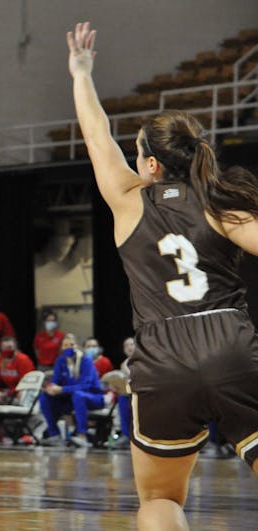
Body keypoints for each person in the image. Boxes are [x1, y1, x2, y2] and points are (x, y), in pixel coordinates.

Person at [67, 22, 258, 530]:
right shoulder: (222, 204)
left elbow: (94, 133)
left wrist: (81, 73)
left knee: (160, 500)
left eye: (135, 152)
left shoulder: (128, 202)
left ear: (150, 165)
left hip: (162, 355)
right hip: (230, 344)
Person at [39, 333, 106, 448]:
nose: (69, 347)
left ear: (77, 346)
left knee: (78, 395)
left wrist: (62, 389)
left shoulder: (86, 360)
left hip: (93, 397)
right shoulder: (60, 361)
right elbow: (56, 381)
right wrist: (51, 388)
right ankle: (54, 434)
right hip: (71, 399)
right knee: (45, 397)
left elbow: (85, 386)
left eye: (71, 344)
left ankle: (82, 436)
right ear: (61, 348)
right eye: (65, 345)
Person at [0, 336, 35, 442]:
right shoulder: (0, 360)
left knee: (23, 393)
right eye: (5, 348)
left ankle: (27, 432)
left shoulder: (23, 360)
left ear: (15, 347)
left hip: (21, 392)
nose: (7, 350)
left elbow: (28, 382)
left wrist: (9, 393)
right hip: (7, 393)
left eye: (10, 347)